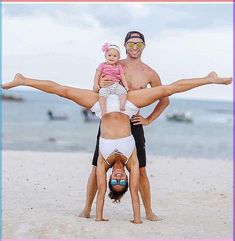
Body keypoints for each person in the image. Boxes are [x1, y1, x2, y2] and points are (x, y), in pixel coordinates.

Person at [2, 71, 232, 223]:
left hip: (100, 107)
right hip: (127, 105)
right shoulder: (131, 161)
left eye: (116, 181)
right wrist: (137, 219)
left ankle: (23, 80)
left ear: (111, 178)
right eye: (123, 181)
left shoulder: (104, 161)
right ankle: (209, 79)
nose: (120, 178)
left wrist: (98, 217)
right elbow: (134, 191)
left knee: (63, 91)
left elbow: (102, 192)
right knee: (166, 90)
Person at [81, 31, 170, 221]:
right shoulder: (112, 62)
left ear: (144, 46)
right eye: (131, 44)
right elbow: (96, 91)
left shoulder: (150, 73)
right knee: (96, 168)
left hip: (134, 123)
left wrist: (148, 120)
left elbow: (164, 100)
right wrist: (100, 84)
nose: (135, 47)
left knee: (142, 170)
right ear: (125, 45)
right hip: (110, 124)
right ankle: (87, 209)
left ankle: (149, 212)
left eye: (138, 44)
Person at [93, 43, 129, 115]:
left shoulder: (118, 66)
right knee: (102, 96)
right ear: (105, 56)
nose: (111, 57)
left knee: (124, 93)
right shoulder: (102, 65)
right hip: (105, 85)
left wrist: (126, 85)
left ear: (118, 58)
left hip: (116, 84)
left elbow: (122, 76)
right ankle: (103, 110)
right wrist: (96, 84)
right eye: (109, 55)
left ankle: (122, 106)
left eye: (114, 56)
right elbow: (97, 75)